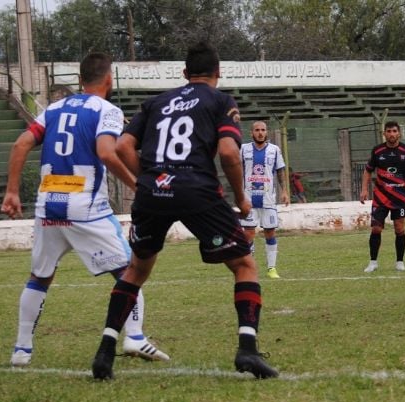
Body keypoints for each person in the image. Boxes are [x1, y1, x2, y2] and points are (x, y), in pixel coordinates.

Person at [90, 42, 278, 380]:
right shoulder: (221, 101)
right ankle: (247, 350)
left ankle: (105, 352)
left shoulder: (155, 102)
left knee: (135, 270)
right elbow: (229, 154)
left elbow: (122, 146)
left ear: (184, 74)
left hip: (152, 192)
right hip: (196, 190)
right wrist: (241, 197)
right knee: (244, 264)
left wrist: (147, 179)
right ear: (218, 74)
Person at [0, 52, 169, 367]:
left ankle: (21, 350)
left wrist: (12, 192)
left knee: (39, 277)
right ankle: (133, 336)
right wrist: (137, 186)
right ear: (109, 80)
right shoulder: (107, 110)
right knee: (129, 270)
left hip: (48, 203)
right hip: (84, 205)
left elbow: (20, 144)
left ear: (80, 80)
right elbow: (107, 153)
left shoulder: (52, 109)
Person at [360, 121, 405, 272]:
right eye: (389, 131)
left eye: (394, 131)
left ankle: (400, 262)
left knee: (399, 229)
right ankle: (373, 262)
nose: (392, 134)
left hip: (399, 197)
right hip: (380, 197)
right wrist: (364, 189)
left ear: (399, 133)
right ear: (384, 133)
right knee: (376, 229)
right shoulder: (378, 151)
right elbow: (368, 170)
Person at [239, 120, 290, 279]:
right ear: (251, 132)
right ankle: (250, 268)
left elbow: (280, 171)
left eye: (263, 130)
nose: (260, 132)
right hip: (248, 199)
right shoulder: (243, 149)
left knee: (270, 232)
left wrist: (285, 191)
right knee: (248, 234)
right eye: (257, 130)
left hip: (268, 199)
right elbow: (235, 170)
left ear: (266, 132)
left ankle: (271, 268)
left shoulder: (274, 150)